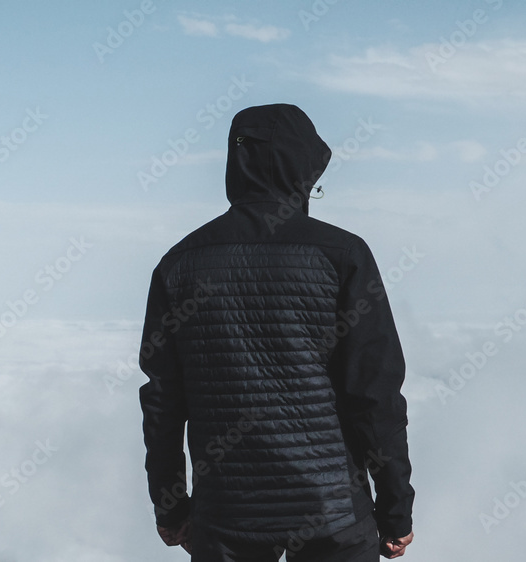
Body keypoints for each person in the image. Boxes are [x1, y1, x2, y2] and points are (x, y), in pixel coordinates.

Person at [139, 103, 415, 561]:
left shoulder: (178, 263)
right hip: (334, 515)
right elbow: (375, 393)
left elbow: (163, 403)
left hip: (224, 517)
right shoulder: (343, 254)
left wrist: (170, 506)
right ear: (302, 172)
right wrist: (395, 510)